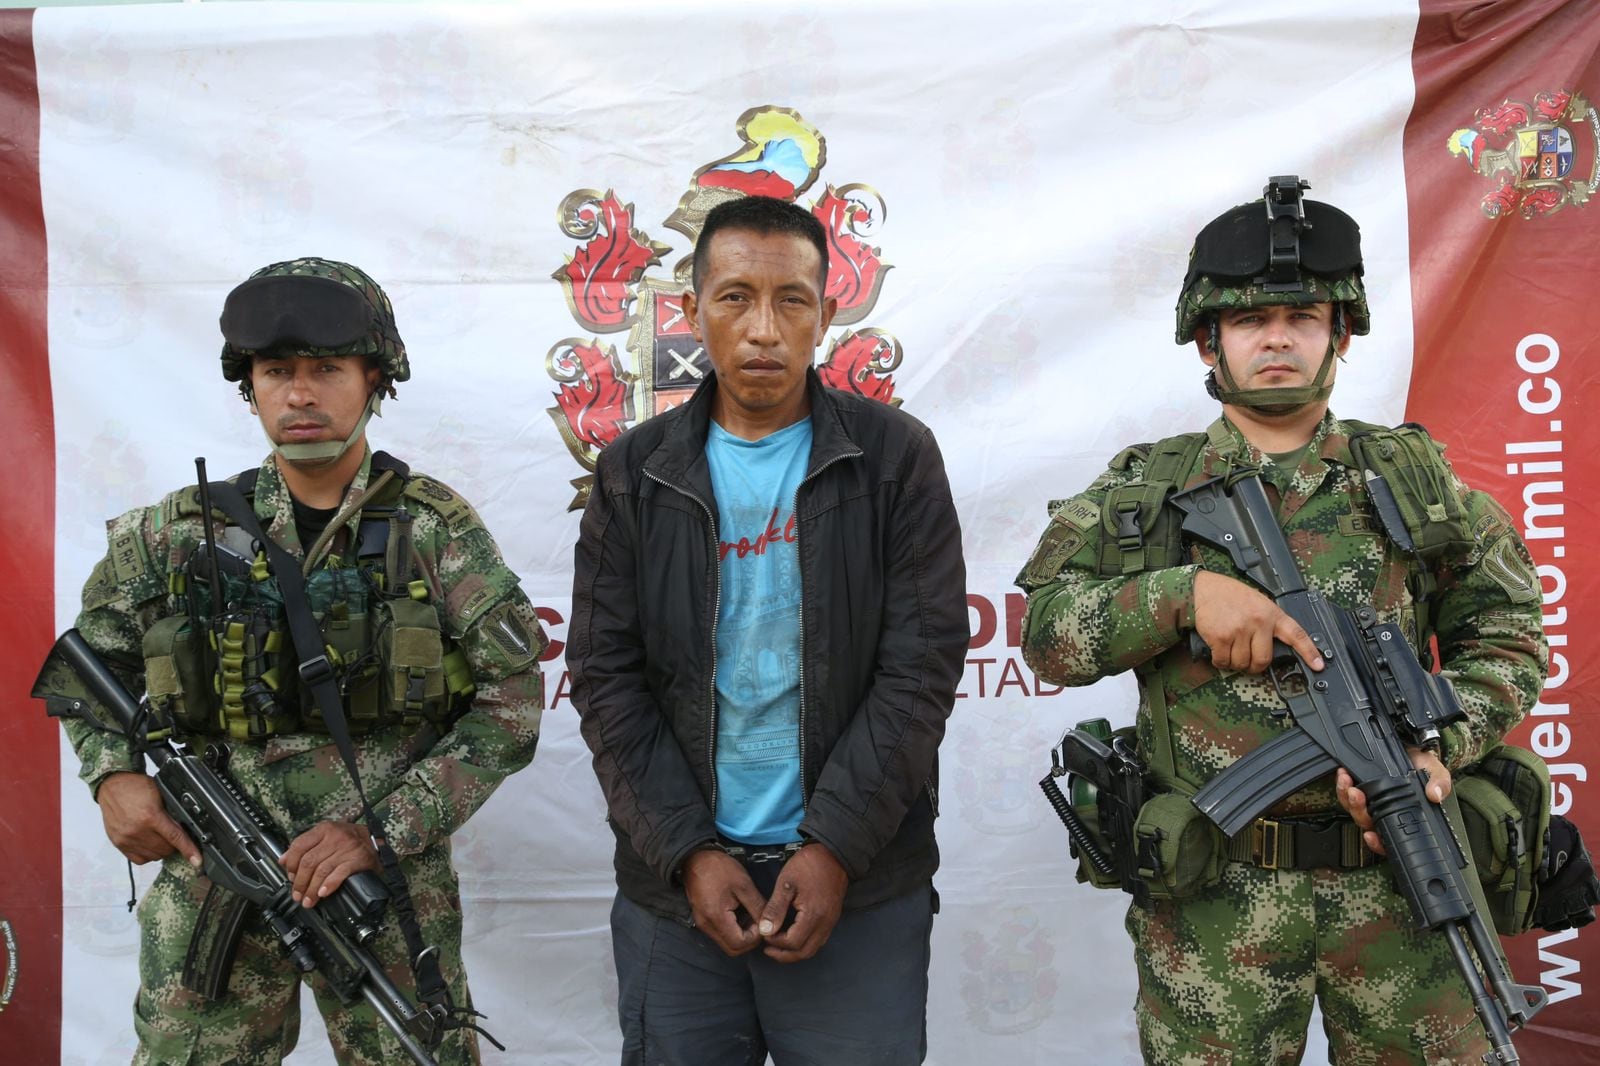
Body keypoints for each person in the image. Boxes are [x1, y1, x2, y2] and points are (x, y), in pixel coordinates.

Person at [1017, 178, 1548, 1063]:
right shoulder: (1146, 493)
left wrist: (1435, 748)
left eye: (1302, 316)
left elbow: (1510, 637)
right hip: (1216, 908)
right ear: (1207, 340)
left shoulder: (1412, 484)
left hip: (1400, 888)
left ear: (1339, 335)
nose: (1276, 338)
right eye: (1250, 320)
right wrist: (1180, 595)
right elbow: (1046, 634)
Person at [62, 257, 545, 1064]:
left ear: (375, 380)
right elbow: (86, 662)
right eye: (275, 371)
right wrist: (113, 775)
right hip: (208, 867)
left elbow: (514, 704)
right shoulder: (176, 534)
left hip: (380, 888)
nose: (300, 394)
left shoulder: (432, 532)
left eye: (326, 369)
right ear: (248, 385)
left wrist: (377, 831)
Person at [568, 195, 968, 1065]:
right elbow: (605, 677)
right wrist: (686, 854)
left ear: (827, 314)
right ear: (690, 311)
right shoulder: (635, 472)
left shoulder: (896, 459)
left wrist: (833, 848)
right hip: (680, 901)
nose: (762, 329)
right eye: (735, 297)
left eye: (792, 301)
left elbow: (922, 666)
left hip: (853, 890)